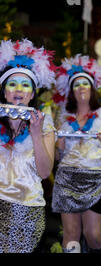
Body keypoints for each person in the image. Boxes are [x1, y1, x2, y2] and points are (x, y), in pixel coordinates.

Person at [52, 54, 101, 253]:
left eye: (85, 83)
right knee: (71, 235)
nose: (81, 87)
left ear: (92, 88)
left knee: (93, 235)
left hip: (96, 179)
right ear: (71, 90)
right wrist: (59, 146)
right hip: (67, 177)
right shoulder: (62, 117)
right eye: (76, 84)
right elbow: (56, 158)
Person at [0, 39, 56, 253]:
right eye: (12, 84)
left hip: (28, 210)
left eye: (25, 85)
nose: (19, 90)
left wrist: (35, 134)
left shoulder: (44, 124)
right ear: (4, 91)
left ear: (32, 94)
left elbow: (44, 172)